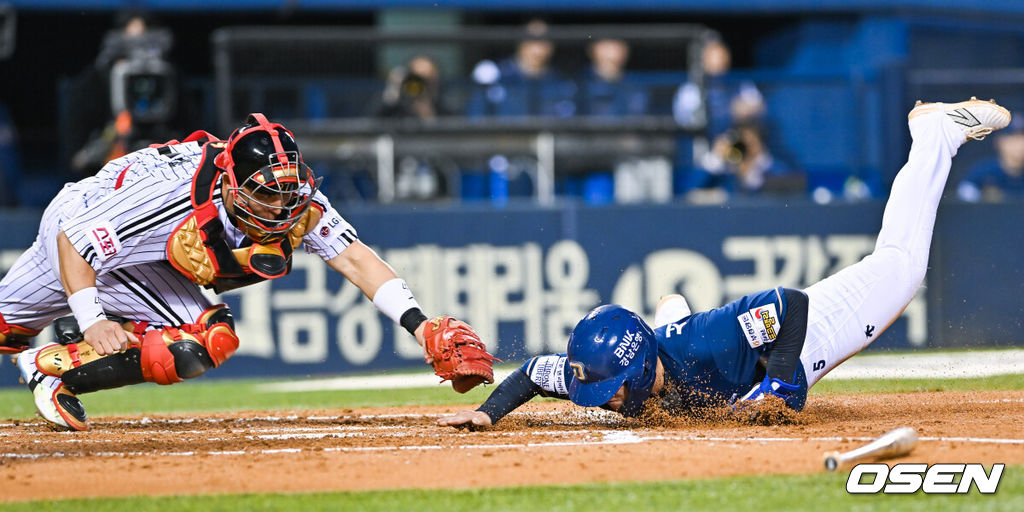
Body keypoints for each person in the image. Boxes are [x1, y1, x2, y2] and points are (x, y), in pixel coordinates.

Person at [439, 97, 1009, 428]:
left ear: (637, 369)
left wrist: (784, 386)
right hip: (685, 347)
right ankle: (669, 309)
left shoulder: (706, 343)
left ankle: (934, 134)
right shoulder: (605, 372)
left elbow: (791, 305)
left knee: (902, 267)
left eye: (611, 389)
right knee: (675, 329)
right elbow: (533, 374)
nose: (607, 401)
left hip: (796, 340)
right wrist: (488, 415)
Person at [1, 113, 496, 431]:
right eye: (266, 193)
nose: (280, 206)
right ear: (229, 184)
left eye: (288, 191)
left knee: (205, 340)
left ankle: (53, 370)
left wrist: (420, 324)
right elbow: (77, 240)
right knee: (12, 328)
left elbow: (355, 258)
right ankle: (55, 355)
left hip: (135, 254)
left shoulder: (297, 200)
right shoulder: (173, 197)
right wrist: (91, 319)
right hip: (84, 233)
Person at [957, 113, 1024, 202]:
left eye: (1021, 138)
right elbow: (964, 195)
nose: (1018, 144)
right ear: (999, 141)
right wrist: (982, 198)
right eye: (1012, 138)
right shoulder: (983, 171)